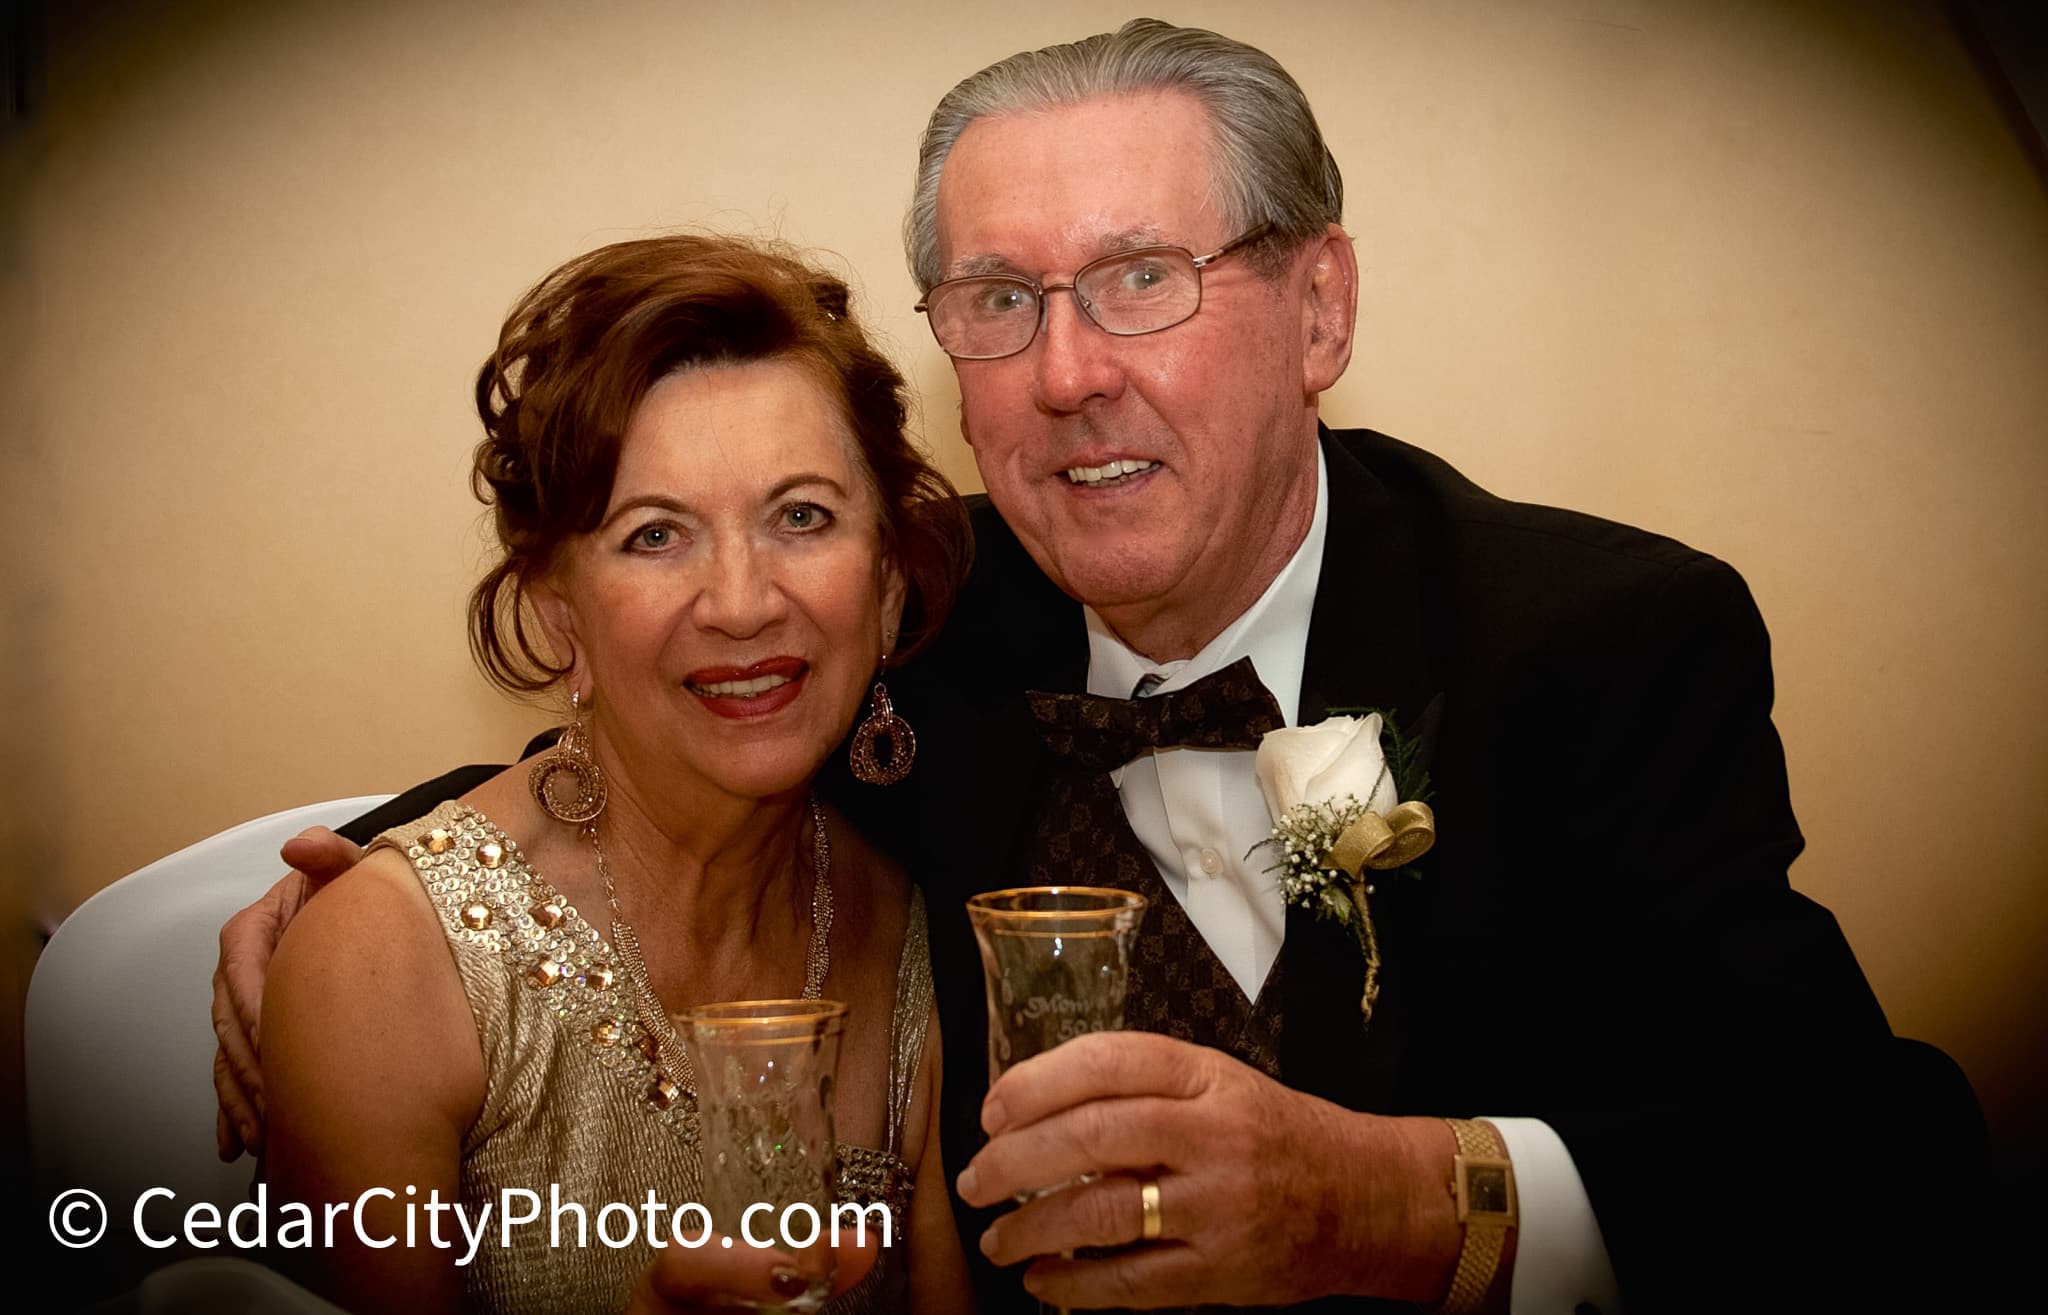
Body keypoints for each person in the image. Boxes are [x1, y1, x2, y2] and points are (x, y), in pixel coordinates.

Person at [217, 20, 1984, 1315]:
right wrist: (378, 885)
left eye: (1139, 279)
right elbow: (677, 711)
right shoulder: (911, 615)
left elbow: (1875, 1184)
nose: (1064, 376)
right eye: (996, 299)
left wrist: (1399, 1204)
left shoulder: (1585, 648)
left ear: (1317, 310)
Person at [254, 234, 976, 1313]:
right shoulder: (394, 965)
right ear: (560, 615)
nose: (740, 601)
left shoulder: (903, 925)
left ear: (884, 586)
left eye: (802, 516)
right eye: (654, 535)